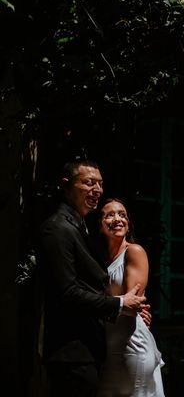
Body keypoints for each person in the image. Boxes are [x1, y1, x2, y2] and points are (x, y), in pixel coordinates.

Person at [36, 159, 149, 397]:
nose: (97, 190)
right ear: (66, 185)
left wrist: (131, 308)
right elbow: (67, 292)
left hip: (91, 350)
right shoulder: (57, 228)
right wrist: (119, 304)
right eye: (88, 183)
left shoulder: (79, 227)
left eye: (100, 184)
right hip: (71, 353)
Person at [96, 198, 165, 396]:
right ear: (99, 225)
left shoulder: (134, 252)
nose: (118, 219)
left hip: (132, 345)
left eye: (122, 215)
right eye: (110, 215)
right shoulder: (98, 259)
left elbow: (131, 305)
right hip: (108, 347)